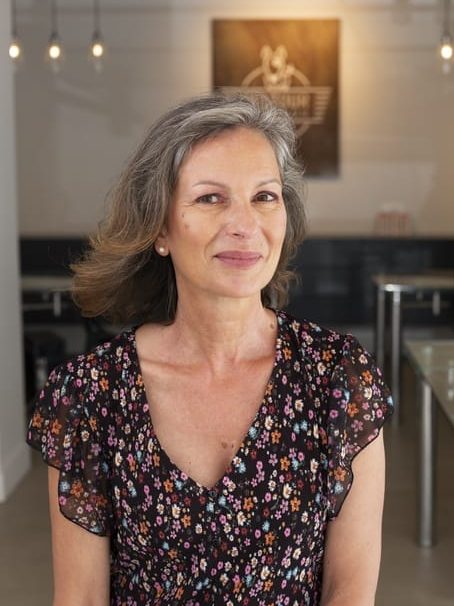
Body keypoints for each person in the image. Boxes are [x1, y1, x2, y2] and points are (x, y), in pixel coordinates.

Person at [27, 92, 393, 606]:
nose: (245, 224)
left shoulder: (338, 379)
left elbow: (348, 591)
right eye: (210, 198)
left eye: (264, 196)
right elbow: (81, 597)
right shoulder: (90, 395)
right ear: (160, 227)